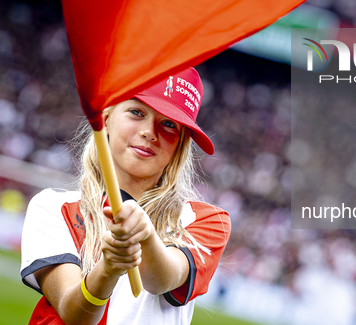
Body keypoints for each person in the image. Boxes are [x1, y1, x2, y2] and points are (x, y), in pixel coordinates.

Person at [20, 67, 231, 325]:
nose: (149, 132)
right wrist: (108, 269)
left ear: (181, 145)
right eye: (136, 112)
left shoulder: (206, 220)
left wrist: (145, 237)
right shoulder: (53, 206)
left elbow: (162, 280)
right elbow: (73, 315)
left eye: (168, 124)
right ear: (106, 118)